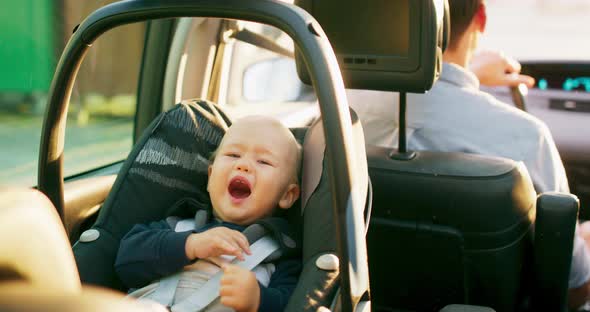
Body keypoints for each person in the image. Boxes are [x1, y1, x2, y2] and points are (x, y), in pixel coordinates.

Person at [348, 0, 590, 308]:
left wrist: (465, 75)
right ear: (481, 17)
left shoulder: (341, 112)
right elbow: (573, 290)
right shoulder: (526, 135)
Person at [115, 115, 302, 312]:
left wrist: (259, 299)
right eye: (233, 155)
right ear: (210, 177)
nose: (243, 165)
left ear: (287, 195)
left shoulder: (280, 254)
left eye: (263, 161)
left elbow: (292, 304)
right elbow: (125, 264)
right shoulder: (177, 227)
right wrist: (189, 245)